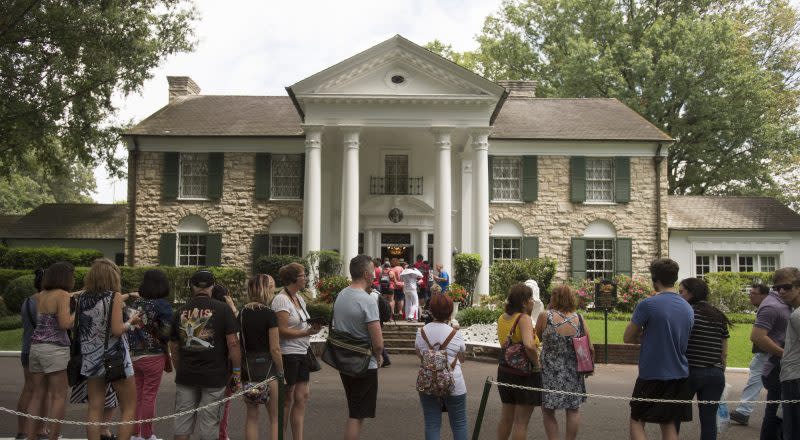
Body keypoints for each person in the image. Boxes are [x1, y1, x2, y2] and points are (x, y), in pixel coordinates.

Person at [624, 258, 694, 440]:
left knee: (637, 419)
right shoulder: (687, 308)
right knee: (669, 423)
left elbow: (628, 337)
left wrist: (646, 336)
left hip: (652, 374)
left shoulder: (648, 304)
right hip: (679, 373)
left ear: (655, 279)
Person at [170, 270, 241, 440]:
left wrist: (179, 368)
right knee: (210, 422)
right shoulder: (223, 309)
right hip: (215, 375)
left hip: (186, 373)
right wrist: (237, 371)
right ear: (212, 286)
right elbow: (233, 342)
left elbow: (173, 346)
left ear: (192, 286)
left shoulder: (179, 311)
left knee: (182, 421)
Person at [77, 258, 138, 440]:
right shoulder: (114, 297)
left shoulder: (82, 298)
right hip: (115, 358)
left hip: (90, 358)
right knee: (128, 407)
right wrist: (131, 322)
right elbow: (117, 330)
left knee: (95, 406)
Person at [332, 255, 385, 440]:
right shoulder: (367, 300)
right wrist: (379, 356)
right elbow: (377, 342)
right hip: (364, 363)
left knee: (354, 409)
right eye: (372, 272)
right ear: (365, 274)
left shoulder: (341, 294)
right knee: (357, 415)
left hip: (344, 360)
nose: (374, 275)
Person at [676, 278, 731, 440]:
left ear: (691, 293)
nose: (679, 296)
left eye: (681, 292)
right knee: (708, 421)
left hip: (689, 371)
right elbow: (724, 349)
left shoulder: (686, 313)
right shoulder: (718, 315)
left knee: (675, 415)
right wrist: (720, 368)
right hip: (715, 373)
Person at [536, 284, 592, 440]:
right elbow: (590, 346)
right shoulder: (579, 318)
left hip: (550, 371)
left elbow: (537, 338)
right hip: (573, 371)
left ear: (554, 297)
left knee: (548, 410)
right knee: (573, 410)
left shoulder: (544, 316)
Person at [271, 262, 320, 440]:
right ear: (293, 278)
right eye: (303, 275)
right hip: (288, 353)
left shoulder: (299, 298)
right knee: (287, 399)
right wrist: (304, 332)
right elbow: (281, 330)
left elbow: (301, 322)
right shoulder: (281, 299)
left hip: (302, 352)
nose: (306, 278)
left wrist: (312, 327)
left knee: (302, 396)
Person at [27, 262, 75, 440]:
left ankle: (30, 436)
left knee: (37, 396)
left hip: (36, 348)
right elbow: (64, 324)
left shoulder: (40, 295)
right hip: (55, 349)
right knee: (58, 396)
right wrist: (76, 312)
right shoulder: (62, 294)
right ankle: (53, 437)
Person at [127, 269, 173, 440]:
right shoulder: (162, 305)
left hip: (133, 355)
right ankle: (147, 435)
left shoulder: (134, 304)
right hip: (153, 355)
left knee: (137, 395)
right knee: (149, 396)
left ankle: (134, 433)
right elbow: (167, 332)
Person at [415, 293, 467, 440]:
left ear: (431, 310)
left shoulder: (421, 332)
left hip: (428, 382)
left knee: (432, 423)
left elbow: (420, 355)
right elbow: (462, 359)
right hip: (454, 383)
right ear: (450, 311)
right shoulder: (455, 334)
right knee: (459, 424)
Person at [239, 274, 285, 440]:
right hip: (268, 369)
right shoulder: (269, 314)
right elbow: (275, 348)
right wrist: (281, 371)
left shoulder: (243, 313)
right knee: (274, 418)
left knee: (252, 417)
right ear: (266, 289)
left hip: (249, 370)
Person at [496, 283, 542, 440]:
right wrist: (537, 364)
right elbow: (529, 345)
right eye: (530, 298)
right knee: (521, 423)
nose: (533, 302)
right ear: (523, 301)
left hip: (505, 371)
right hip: (523, 374)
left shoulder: (502, 318)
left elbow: (504, 343)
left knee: (506, 418)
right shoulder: (524, 319)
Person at [751, 273, 792, 439]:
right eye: (781, 287)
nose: (783, 291)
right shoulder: (773, 306)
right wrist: (786, 355)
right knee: (776, 413)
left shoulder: (785, 305)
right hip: (777, 366)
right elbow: (757, 337)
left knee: (780, 413)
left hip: (779, 364)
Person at [730, 283, 770, 425]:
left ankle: (743, 411)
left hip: (766, 352)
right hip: (767, 352)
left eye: (754, 293)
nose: (750, 296)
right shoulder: (765, 307)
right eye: (750, 293)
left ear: (764, 295)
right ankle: (743, 411)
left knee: (755, 380)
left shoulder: (767, 309)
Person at [16, 268, 49, 440]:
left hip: (27, 348)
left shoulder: (27, 301)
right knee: (43, 391)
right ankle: (41, 429)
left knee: (28, 389)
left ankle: (22, 431)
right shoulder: (49, 300)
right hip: (43, 350)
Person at [776, 267, 800, 439]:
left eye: (786, 286)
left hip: (795, 379)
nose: (781, 291)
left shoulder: (797, 315)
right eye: (777, 288)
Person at [211, 283, 237, 440]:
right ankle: (221, 435)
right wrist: (233, 308)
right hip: (225, 365)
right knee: (225, 405)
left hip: (205, 364)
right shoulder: (227, 313)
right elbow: (236, 338)